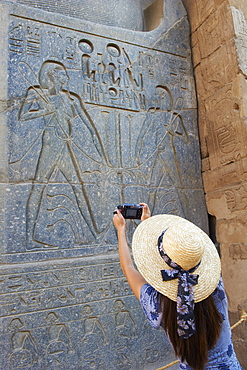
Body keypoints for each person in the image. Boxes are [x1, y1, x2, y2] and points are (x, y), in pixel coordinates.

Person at [112, 203, 242, 370]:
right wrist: (147, 224)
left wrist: (122, 229)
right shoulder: (216, 286)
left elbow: (127, 268)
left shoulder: (157, 303)